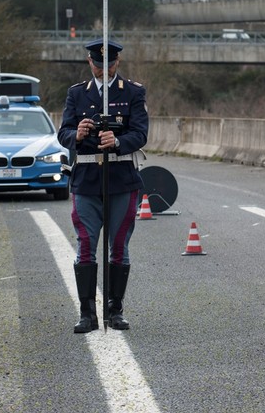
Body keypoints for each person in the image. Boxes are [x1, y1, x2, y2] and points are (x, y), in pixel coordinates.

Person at [57, 38, 149, 333]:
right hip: (86, 180)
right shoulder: (76, 94)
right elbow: (63, 133)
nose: (103, 70)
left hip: (122, 179)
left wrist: (119, 141)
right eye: (98, 64)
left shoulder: (133, 92)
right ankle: (87, 314)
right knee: (86, 244)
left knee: (119, 246)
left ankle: (115, 309)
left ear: (117, 63)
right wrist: (78, 134)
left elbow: (141, 132)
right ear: (89, 62)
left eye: (108, 65)